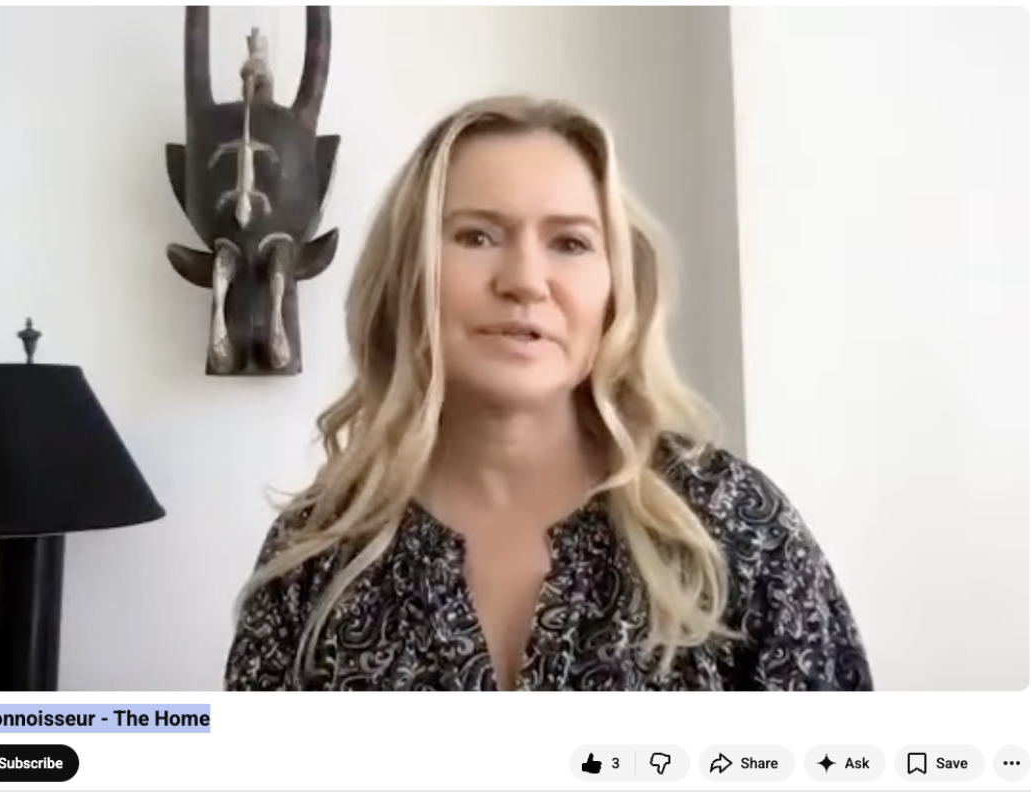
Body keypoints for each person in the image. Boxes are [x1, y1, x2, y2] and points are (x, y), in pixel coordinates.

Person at [223, 95, 873, 691]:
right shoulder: (313, 557)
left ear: (615, 287)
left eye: (570, 243)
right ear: (408, 274)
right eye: (477, 236)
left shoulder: (734, 526)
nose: (527, 281)